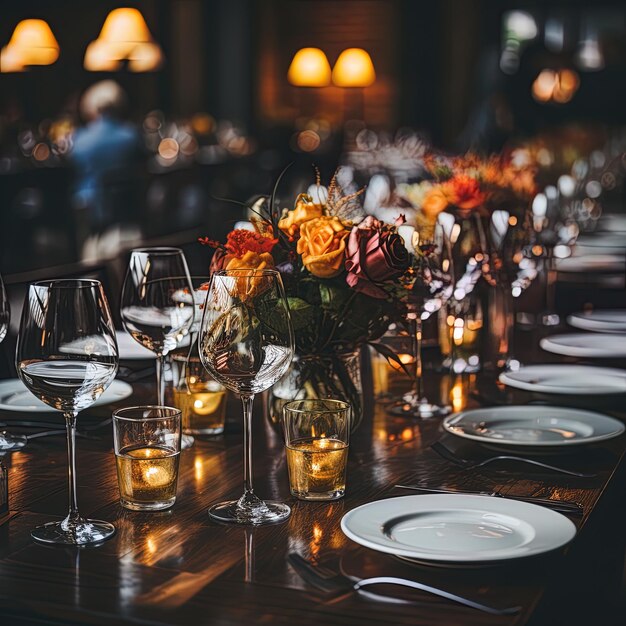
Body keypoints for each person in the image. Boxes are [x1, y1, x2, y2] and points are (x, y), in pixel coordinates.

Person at [70, 80, 144, 259]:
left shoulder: (82, 139)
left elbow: (73, 165)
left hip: (93, 210)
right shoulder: (131, 135)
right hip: (129, 208)